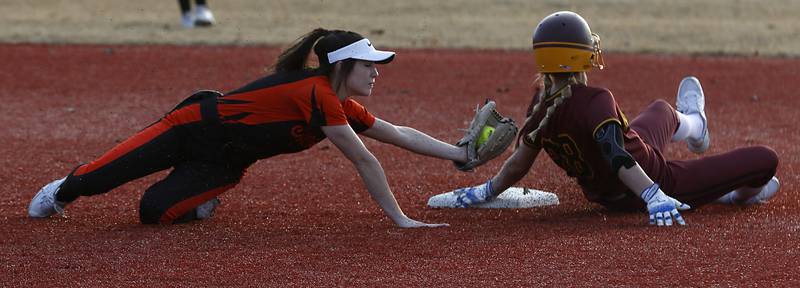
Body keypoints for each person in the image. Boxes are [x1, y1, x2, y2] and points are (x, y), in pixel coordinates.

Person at [28, 28, 474, 228]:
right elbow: (364, 157)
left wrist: (460, 154)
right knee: (98, 179)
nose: (377, 73)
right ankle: (59, 191)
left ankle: (203, 191)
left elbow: (398, 133)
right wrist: (400, 220)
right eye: (369, 66)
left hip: (225, 161)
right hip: (190, 127)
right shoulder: (317, 93)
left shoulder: (341, 103)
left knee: (154, 214)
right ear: (343, 66)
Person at [451, 11, 780, 227]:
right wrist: (654, 195)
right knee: (766, 160)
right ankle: (736, 196)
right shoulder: (596, 100)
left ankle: (696, 124)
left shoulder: (540, 103)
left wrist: (486, 190)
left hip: (611, 191)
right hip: (654, 180)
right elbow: (617, 156)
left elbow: (519, 164)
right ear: (582, 57)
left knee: (662, 109)